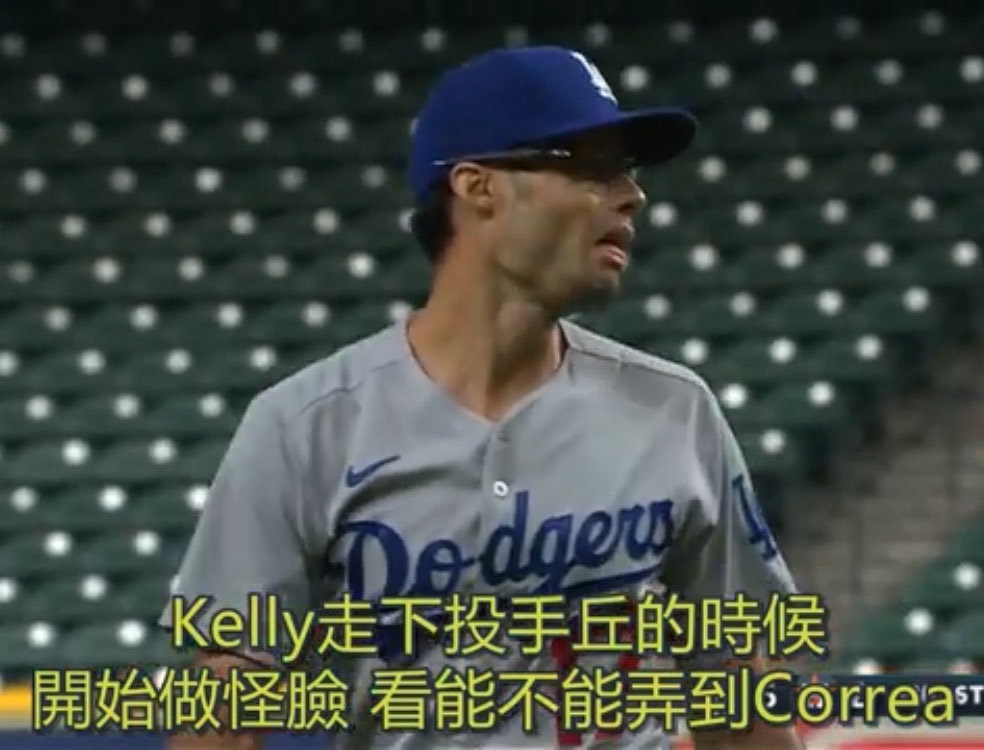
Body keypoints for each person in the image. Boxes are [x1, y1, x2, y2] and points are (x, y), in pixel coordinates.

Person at [160, 45, 805, 749]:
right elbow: (224, 714)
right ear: (478, 187)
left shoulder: (676, 412)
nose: (631, 194)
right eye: (591, 166)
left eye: (629, 170)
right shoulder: (304, 425)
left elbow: (740, 706)